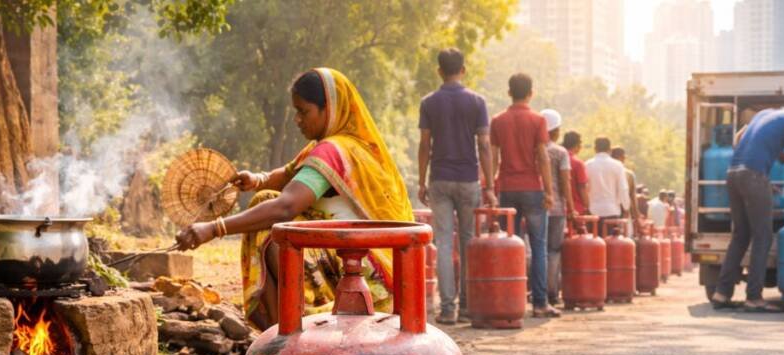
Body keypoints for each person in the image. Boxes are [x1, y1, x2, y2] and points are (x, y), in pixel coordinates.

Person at [175, 68, 413, 329]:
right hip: (384, 276)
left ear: (329, 109)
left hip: (365, 278)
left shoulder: (333, 150)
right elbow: (291, 174)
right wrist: (259, 179)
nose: (298, 120)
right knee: (265, 199)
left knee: (271, 228)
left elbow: (285, 207)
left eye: (304, 111)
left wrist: (213, 228)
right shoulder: (350, 147)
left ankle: (285, 327)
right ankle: (281, 328)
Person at [711, 94, 784, 312]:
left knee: (741, 235)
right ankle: (754, 297)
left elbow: (739, 140)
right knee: (763, 236)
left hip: (734, 174)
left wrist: (762, 180)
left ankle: (721, 293)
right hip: (752, 176)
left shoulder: (764, 114)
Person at [417, 48, 494, 325]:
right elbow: (484, 145)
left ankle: (448, 309)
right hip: (468, 179)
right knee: (468, 242)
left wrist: (421, 180)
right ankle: (467, 307)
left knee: (444, 242)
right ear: (463, 70)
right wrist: (490, 185)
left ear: (439, 71)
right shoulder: (477, 102)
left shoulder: (429, 103)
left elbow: (425, 144)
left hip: (439, 178)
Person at [490, 73, 560, 318]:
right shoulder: (538, 120)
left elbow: (493, 157)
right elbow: (542, 157)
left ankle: (512, 301)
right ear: (531, 93)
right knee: (539, 246)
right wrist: (549, 191)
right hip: (532, 188)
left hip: (507, 189)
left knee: (511, 247)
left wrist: (491, 188)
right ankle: (540, 303)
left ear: (509, 93)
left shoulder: (498, 121)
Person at [540, 109, 575, 306]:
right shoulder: (560, 152)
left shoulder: (533, 150)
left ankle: (538, 292)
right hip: (557, 208)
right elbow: (565, 183)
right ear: (554, 131)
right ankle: (551, 293)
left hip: (536, 206)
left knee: (537, 249)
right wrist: (571, 208)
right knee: (553, 250)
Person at [585, 137, 631, 227]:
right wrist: (626, 207)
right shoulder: (618, 165)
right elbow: (623, 188)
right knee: (611, 236)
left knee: (594, 236)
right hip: (612, 211)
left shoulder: (587, 165)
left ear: (595, 149)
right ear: (609, 150)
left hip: (593, 211)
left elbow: (585, 188)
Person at [611, 147, 642, 222]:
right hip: (624, 212)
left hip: (605, 210)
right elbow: (632, 197)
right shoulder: (628, 174)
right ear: (622, 157)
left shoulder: (604, 171)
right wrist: (636, 217)